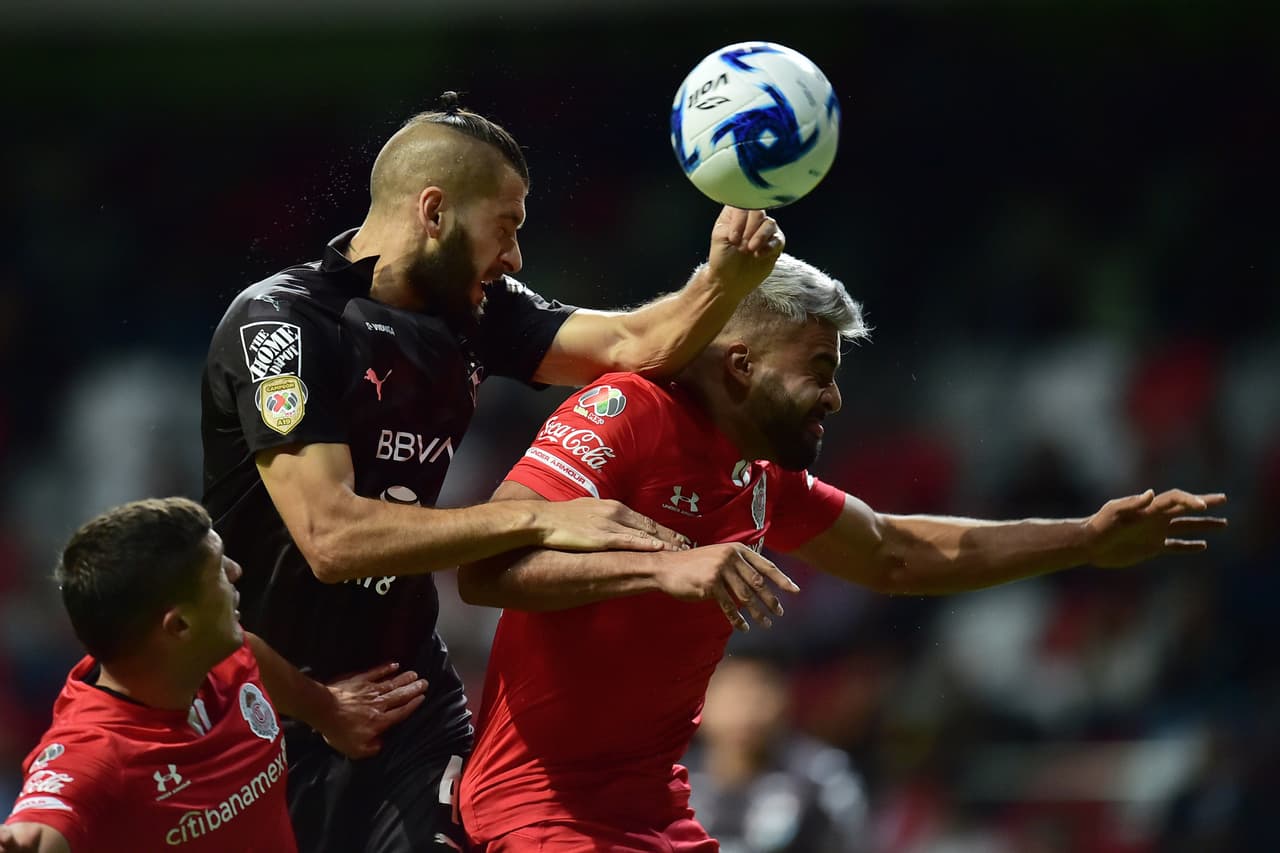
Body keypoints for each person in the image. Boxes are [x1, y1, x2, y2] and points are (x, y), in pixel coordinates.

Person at [455, 253, 1229, 851]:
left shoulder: (762, 472)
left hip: (654, 814)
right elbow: (486, 567)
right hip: (541, 810)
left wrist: (1084, 538)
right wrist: (663, 565)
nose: (835, 398)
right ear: (742, 365)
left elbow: (893, 551)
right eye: (818, 371)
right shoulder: (625, 409)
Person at [200, 94, 783, 852]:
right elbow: (331, 534)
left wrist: (725, 280)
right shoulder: (283, 324)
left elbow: (634, 342)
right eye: (506, 227)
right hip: (263, 698)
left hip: (408, 699)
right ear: (435, 212)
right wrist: (538, 516)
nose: (513, 257)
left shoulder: (480, 310)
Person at [0, 497, 426, 853]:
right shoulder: (95, 754)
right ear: (179, 626)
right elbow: (40, 825)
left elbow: (257, 661)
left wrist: (329, 709)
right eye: (218, 570)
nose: (236, 572)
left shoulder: (227, 656)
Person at [685, 655, 868, 853]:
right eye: (733, 696)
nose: (745, 711)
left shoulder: (824, 777)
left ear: (785, 697)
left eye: (758, 694)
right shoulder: (674, 781)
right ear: (702, 701)